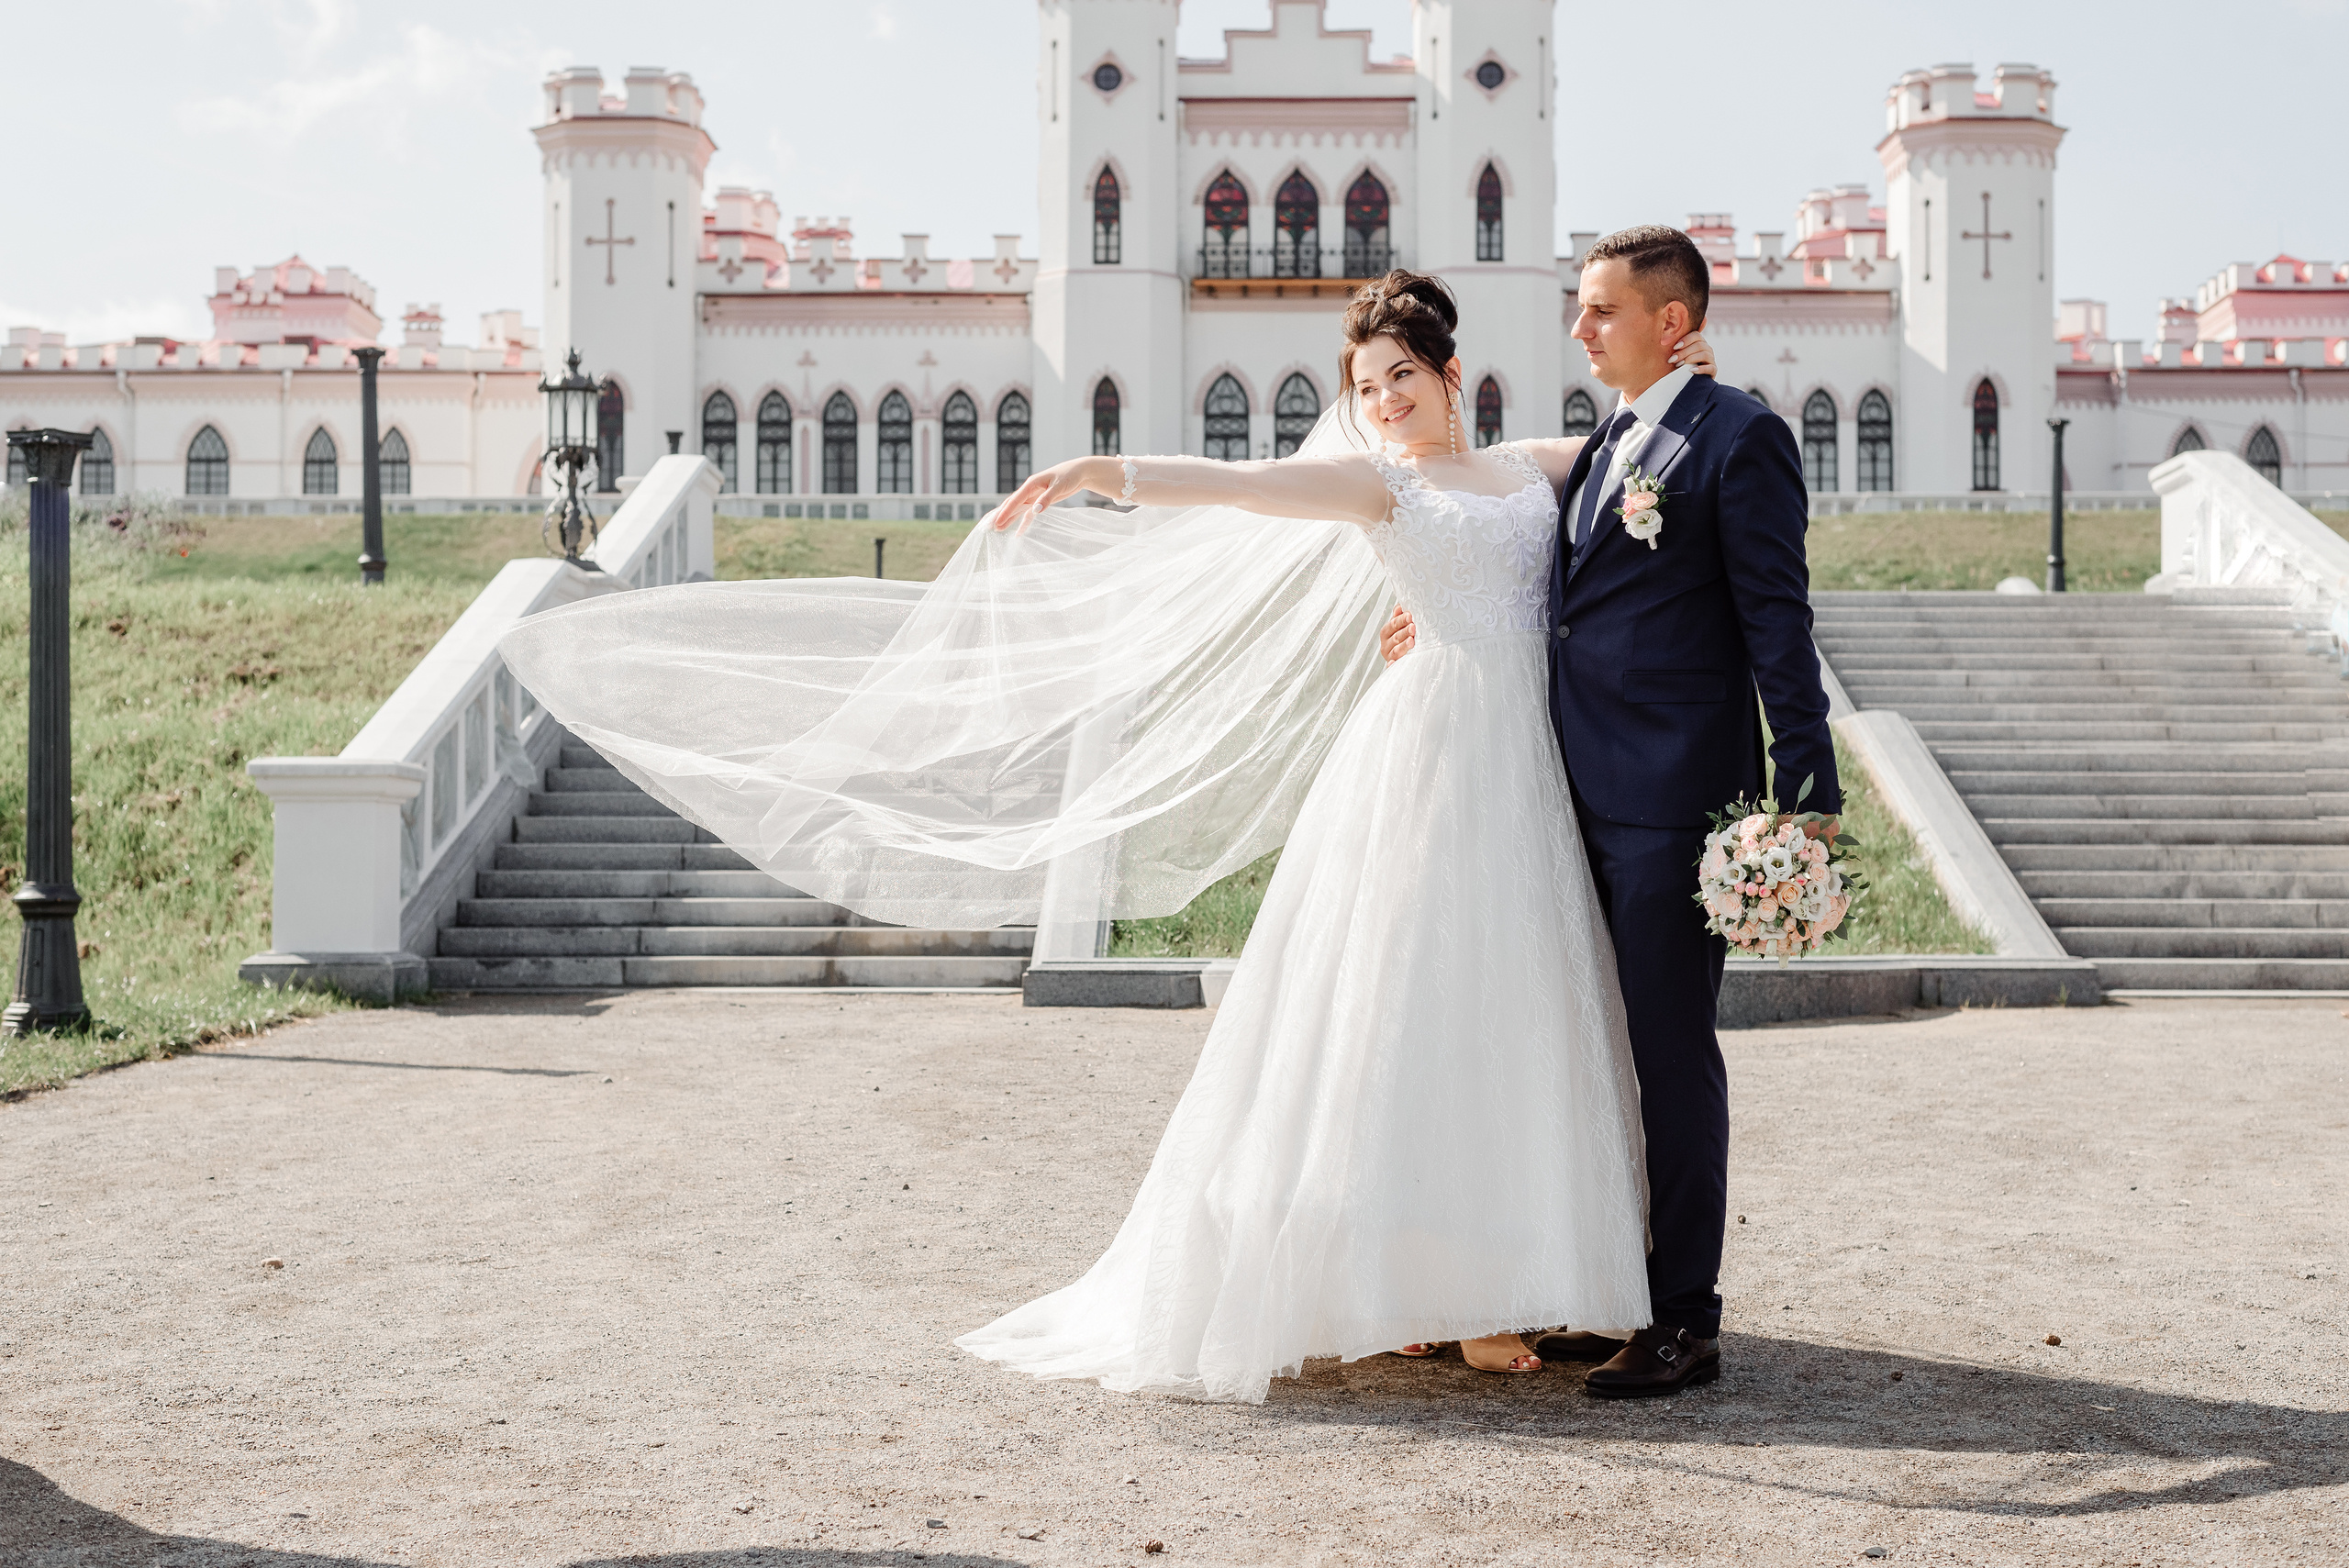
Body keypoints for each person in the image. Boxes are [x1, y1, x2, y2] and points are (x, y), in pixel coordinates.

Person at [952, 272, 1719, 1401]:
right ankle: (1422, 1289)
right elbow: (1246, 485)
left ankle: (1502, 1271)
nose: (1384, 398)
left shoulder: (1534, 468)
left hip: (1536, 760)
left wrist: (1690, 375)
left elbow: (1633, 436)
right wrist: (1105, 472)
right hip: (1432, 751)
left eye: (1400, 374)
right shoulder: (1378, 485)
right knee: (1405, 1003)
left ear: (1449, 373)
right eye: (1365, 386)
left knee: (1518, 1009)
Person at [1380, 228, 1839, 1397]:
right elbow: (1561, 594)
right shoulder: (1601, 452)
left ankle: (1684, 1313)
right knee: (1584, 1048)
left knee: (1666, 1055)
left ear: (1672, 322)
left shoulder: (1739, 439)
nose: (1577, 330)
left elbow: (1776, 623)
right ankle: (1611, 1286)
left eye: (1599, 311)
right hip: (1562, 792)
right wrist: (1431, 626)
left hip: (1672, 806)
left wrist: (1807, 790)